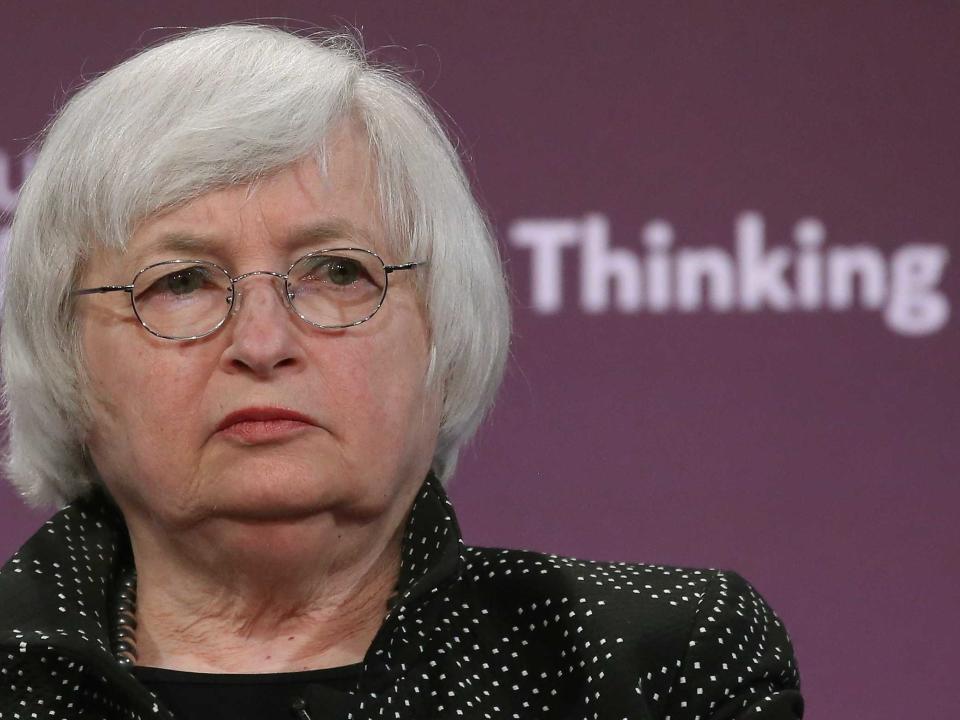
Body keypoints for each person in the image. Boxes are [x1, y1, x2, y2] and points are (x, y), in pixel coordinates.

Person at [0, 24, 803, 720]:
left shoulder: (648, 667)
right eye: (180, 282)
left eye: (339, 272)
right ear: (63, 358)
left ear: (445, 341)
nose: (262, 340)